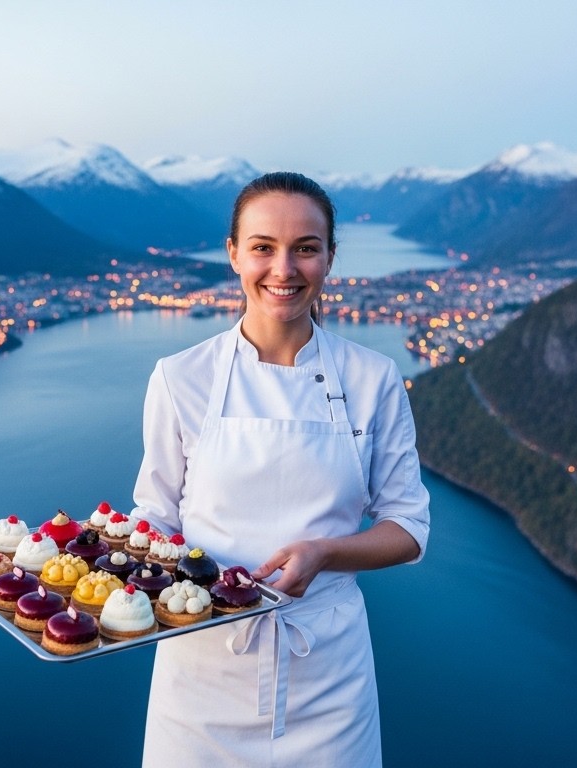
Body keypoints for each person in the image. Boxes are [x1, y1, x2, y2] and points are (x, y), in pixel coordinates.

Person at [130, 171, 431, 767]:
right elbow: (154, 520)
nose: (284, 269)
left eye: (306, 248)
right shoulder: (180, 377)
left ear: (330, 257)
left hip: (329, 675)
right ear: (234, 254)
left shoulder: (372, 379)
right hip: (202, 665)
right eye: (263, 247)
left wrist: (325, 553)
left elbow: (408, 528)